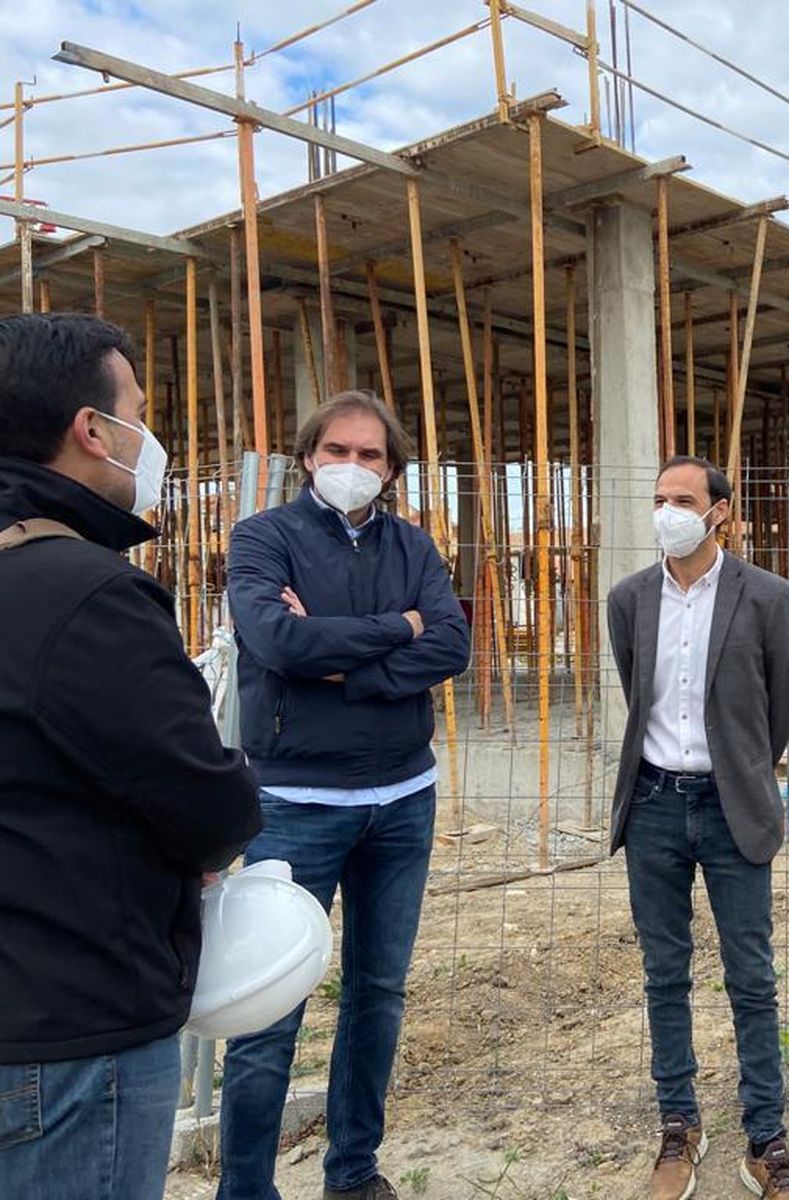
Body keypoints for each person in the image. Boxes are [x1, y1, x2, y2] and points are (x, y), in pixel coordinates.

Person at [0, 313, 261, 1200]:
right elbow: (208, 801)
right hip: (75, 1029)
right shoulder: (86, 593)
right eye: (139, 414)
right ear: (92, 430)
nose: (148, 438)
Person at [218, 391, 470, 1200]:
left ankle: (354, 1173)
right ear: (307, 457)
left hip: (403, 798)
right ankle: (246, 1188)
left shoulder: (412, 544)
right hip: (295, 802)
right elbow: (277, 640)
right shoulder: (263, 537)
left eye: (370, 455)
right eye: (337, 450)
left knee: (378, 993)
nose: (352, 466)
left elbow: (453, 644)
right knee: (268, 1007)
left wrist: (340, 665)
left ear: (391, 470)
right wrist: (400, 627)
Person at [606, 455, 789, 1200]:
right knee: (664, 972)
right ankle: (678, 1125)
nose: (668, 512)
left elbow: (788, 697)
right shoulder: (629, 599)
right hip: (654, 803)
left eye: (684, 500)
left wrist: (742, 764)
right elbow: (638, 690)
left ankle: (766, 1139)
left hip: (732, 807)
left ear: (719, 512)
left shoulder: (766, 595)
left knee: (751, 975)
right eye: (660, 499)